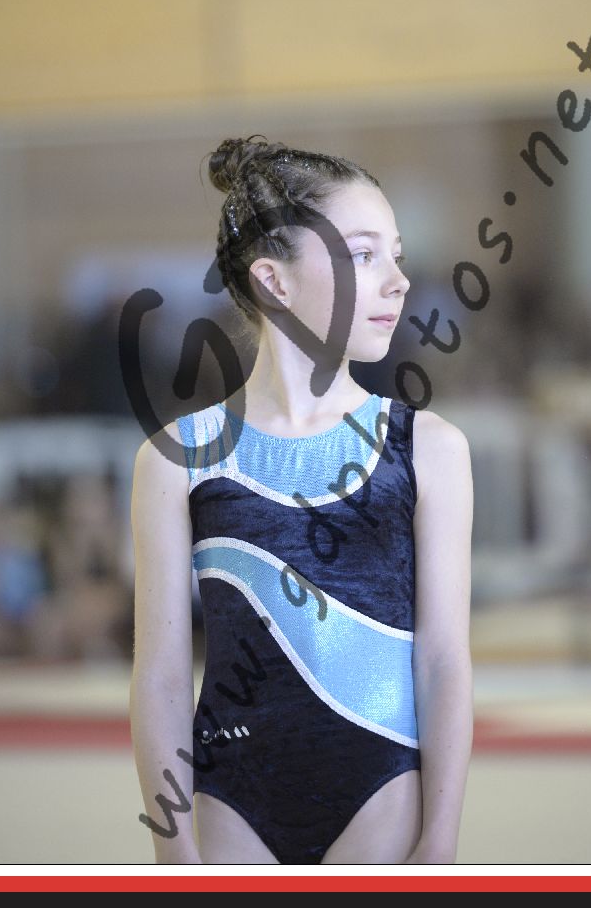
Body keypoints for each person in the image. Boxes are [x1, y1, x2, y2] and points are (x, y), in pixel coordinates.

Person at [130, 135, 473, 864]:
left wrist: (441, 840)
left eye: (398, 255)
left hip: (382, 791)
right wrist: (174, 856)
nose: (399, 281)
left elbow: (443, 660)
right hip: (230, 803)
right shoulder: (175, 459)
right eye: (364, 255)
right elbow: (161, 677)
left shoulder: (428, 450)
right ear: (274, 281)